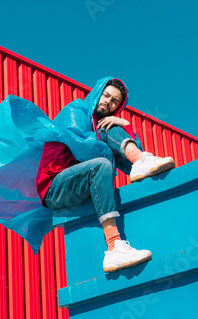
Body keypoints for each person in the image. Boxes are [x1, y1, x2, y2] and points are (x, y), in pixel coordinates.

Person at [36, 77, 175, 273]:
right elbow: (83, 148)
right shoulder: (75, 110)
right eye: (106, 95)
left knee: (112, 129)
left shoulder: (102, 126)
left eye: (114, 101)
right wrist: (111, 155)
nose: (108, 102)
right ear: (97, 93)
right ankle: (114, 247)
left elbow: (128, 167)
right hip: (55, 186)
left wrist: (125, 125)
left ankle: (141, 159)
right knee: (101, 162)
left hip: (81, 181)